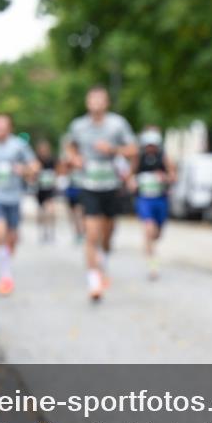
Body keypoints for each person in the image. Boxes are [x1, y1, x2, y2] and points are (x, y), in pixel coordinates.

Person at [66, 86, 137, 301]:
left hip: (111, 185)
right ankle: (94, 281)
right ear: (87, 103)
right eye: (92, 99)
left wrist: (112, 149)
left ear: (106, 103)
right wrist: (74, 158)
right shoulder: (78, 125)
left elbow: (133, 149)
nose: (96, 103)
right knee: (91, 234)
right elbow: (69, 147)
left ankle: (103, 259)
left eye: (100, 99)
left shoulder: (117, 124)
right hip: (88, 185)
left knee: (107, 235)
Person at [0, 114, 39, 295]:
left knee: (12, 238)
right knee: (0, 231)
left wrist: (24, 169)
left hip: (13, 197)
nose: (0, 130)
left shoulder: (18, 145)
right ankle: (5, 276)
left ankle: (5, 264)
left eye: (4, 127)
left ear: (10, 128)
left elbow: (35, 166)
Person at [129, 126, 176, 280]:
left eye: (153, 146)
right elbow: (129, 176)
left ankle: (150, 244)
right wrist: (132, 183)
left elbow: (173, 176)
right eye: (148, 146)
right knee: (149, 230)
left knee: (157, 234)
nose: (150, 149)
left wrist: (165, 178)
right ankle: (153, 266)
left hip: (160, 200)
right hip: (144, 199)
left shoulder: (164, 157)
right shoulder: (139, 158)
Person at [61, 139, 85, 244]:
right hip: (70, 186)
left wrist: (72, 161)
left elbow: (80, 165)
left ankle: (83, 232)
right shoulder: (67, 157)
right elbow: (62, 170)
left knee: (80, 212)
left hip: (80, 187)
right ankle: (77, 233)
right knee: (72, 213)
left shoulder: (81, 156)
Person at [34, 139, 58, 243]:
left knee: (51, 210)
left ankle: (51, 233)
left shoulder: (52, 159)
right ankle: (43, 232)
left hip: (50, 189)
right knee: (41, 212)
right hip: (40, 189)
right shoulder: (36, 160)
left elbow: (57, 171)